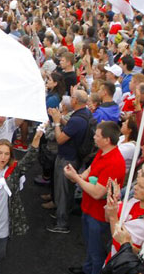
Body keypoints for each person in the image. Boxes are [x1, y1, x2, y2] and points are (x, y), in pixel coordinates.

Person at [0, 128, 43, 274]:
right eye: (0, 153)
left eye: (6, 153)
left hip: (3, 222)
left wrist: (36, 137)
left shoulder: (14, 170)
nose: (3, 157)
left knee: (0, 253)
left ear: (10, 155)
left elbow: (29, 159)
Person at [63, 121, 126, 274]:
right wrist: (77, 176)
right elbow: (91, 170)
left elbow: (98, 193)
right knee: (90, 246)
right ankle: (87, 268)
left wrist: (77, 179)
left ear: (107, 140)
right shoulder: (103, 152)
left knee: (97, 251)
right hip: (89, 209)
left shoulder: (114, 162)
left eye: (97, 135)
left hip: (98, 215)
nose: (94, 137)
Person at [46, 89, 91, 234]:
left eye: (71, 97)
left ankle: (62, 222)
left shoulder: (77, 119)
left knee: (62, 191)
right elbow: (71, 127)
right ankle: (63, 212)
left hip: (67, 159)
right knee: (66, 190)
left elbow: (60, 139)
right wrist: (61, 118)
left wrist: (57, 122)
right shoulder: (84, 114)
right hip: (74, 157)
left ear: (75, 101)